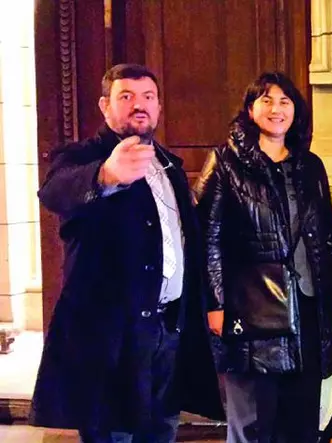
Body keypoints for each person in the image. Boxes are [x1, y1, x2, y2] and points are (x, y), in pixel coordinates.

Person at [30, 63, 224, 442]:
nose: (140, 105)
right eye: (127, 96)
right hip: (112, 339)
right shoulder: (82, 157)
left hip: (169, 329)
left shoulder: (167, 164)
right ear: (105, 106)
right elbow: (55, 191)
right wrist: (104, 176)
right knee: (113, 433)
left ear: (158, 107)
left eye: (148, 97)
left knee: (161, 430)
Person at [193, 71, 332, 443]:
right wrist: (214, 303)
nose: (276, 109)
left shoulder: (310, 164)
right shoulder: (225, 162)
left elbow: (328, 230)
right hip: (252, 308)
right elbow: (207, 238)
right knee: (254, 422)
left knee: (300, 417)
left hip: (309, 303)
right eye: (266, 100)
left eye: (285, 101)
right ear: (250, 109)